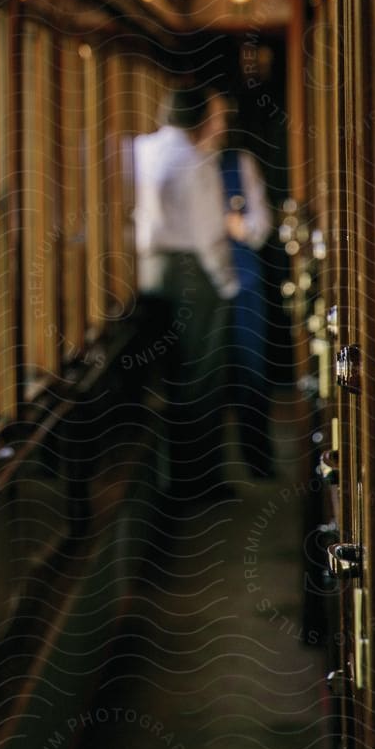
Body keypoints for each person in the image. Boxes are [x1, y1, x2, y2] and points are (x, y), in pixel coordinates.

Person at [133, 83, 238, 507]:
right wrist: (228, 284)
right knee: (200, 380)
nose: (222, 125)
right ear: (198, 119)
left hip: (148, 271)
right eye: (216, 116)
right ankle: (198, 485)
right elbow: (210, 235)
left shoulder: (141, 149)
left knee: (169, 379)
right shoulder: (196, 162)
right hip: (191, 273)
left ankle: (174, 481)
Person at [218, 107, 277, 479]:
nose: (223, 125)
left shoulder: (240, 163)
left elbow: (260, 227)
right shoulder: (181, 166)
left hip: (243, 282)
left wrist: (237, 226)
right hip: (199, 288)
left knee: (252, 374)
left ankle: (258, 460)